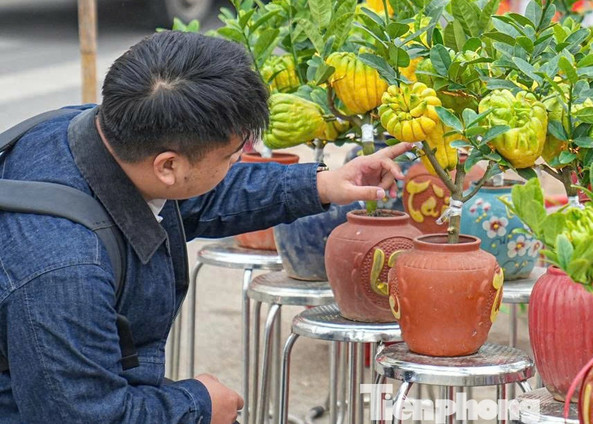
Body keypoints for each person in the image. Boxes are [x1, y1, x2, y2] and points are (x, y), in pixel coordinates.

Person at [0, 31, 411, 424]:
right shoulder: (65, 269)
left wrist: (321, 184)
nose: (235, 162)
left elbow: (194, 194)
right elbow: (81, 415)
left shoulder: (89, 134)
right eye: (233, 155)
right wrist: (197, 406)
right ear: (167, 165)